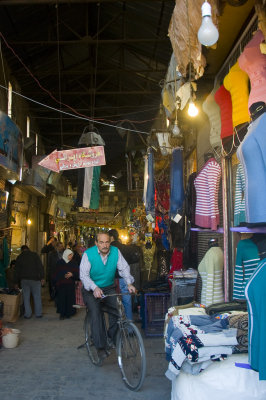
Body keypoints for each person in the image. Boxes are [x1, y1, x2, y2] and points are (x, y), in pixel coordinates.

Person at [80, 232, 135, 360]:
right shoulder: (89, 254)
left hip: (108, 287)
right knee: (96, 313)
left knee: (117, 310)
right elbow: (84, 276)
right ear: (96, 243)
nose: (105, 245)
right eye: (101, 242)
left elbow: (124, 268)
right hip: (91, 288)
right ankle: (100, 347)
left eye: (107, 242)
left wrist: (129, 283)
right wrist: (94, 288)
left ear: (110, 242)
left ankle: (112, 337)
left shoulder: (115, 252)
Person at [108, 229, 138, 321]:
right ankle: (129, 327)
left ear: (111, 237)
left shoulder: (108, 249)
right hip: (124, 278)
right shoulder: (125, 248)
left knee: (112, 303)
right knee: (127, 302)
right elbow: (134, 259)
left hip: (111, 279)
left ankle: (116, 326)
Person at [14, 245, 44, 319]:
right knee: (37, 297)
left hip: (24, 280)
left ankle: (28, 314)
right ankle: (38, 314)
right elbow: (40, 266)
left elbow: (16, 271)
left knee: (26, 298)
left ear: (22, 250)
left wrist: (16, 282)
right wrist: (42, 278)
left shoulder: (19, 257)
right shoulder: (34, 255)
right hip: (35, 279)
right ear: (28, 249)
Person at [52, 248, 79, 320]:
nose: (71, 257)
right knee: (61, 299)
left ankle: (69, 313)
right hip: (61, 284)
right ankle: (62, 313)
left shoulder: (74, 263)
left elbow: (78, 272)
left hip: (70, 284)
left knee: (70, 299)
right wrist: (63, 275)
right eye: (69, 255)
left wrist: (72, 274)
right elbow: (56, 273)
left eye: (71, 255)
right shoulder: (59, 262)